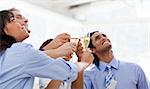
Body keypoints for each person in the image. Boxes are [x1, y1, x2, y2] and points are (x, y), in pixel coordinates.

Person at [0, 9, 92, 89]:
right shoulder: (20, 51)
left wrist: (56, 50)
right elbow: (67, 72)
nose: (21, 22)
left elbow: (27, 60)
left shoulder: (7, 54)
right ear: (3, 30)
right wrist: (84, 62)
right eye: (13, 19)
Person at [84, 31, 149, 89]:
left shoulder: (135, 69)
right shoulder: (88, 75)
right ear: (92, 49)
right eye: (98, 38)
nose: (103, 38)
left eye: (104, 36)